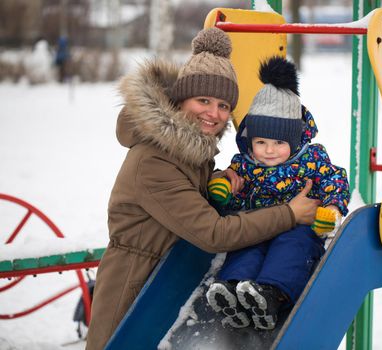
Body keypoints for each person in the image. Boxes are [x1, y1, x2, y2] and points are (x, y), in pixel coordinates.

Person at [85, 28, 319, 350]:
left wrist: (219, 185)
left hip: (166, 281)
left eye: (224, 105)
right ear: (181, 100)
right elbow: (213, 233)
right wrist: (289, 214)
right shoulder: (154, 160)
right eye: (204, 100)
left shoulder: (192, 153)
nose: (214, 114)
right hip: (133, 288)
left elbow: (188, 209)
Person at [205, 56, 350, 330]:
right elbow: (234, 201)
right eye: (261, 142)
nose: (269, 150)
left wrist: (331, 209)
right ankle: (234, 291)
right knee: (245, 246)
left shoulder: (311, 159)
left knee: (291, 250)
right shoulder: (244, 165)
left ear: (294, 141)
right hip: (258, 225)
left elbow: (334, 179)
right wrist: (223, 190)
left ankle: (271, 295)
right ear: (250, 140)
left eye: (279, 142)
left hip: (298, 229)